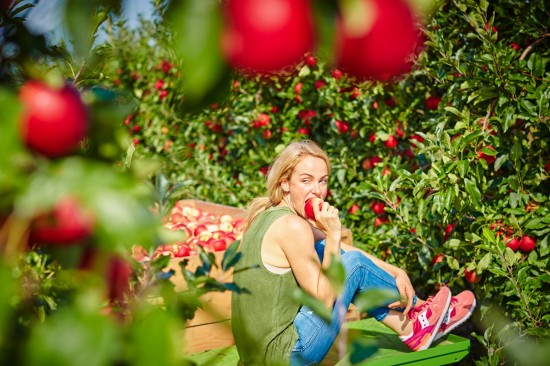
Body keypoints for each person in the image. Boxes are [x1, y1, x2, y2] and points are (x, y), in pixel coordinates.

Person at [231, 140, 476, 365]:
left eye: (323, 180)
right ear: (285, 182)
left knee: (343, 259)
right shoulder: (293, 227)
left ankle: (413, 326)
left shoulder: (267, 216)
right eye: (306, 180)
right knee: (354, 265)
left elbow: (342, 250)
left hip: (258, 355)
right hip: (287, 356)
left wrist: (395, 270)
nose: (317, 190)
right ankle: (422, 316)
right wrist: (334, 234)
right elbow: (324, 300)